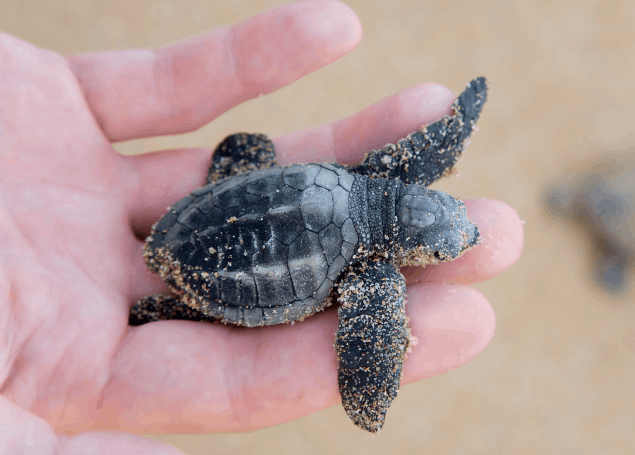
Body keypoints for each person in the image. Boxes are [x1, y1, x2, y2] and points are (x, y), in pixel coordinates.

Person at [0, 0, 522, 452]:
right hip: (214, 268)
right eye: (441, 251)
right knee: (241, 296)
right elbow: (372, 344)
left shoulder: (378, 176)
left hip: (202, 213)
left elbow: (429, 153)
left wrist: (459, 122)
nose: (467, 240)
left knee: (250, 151)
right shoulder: (376, 280)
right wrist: (370, 394)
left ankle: (182, 282)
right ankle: (170, 307)